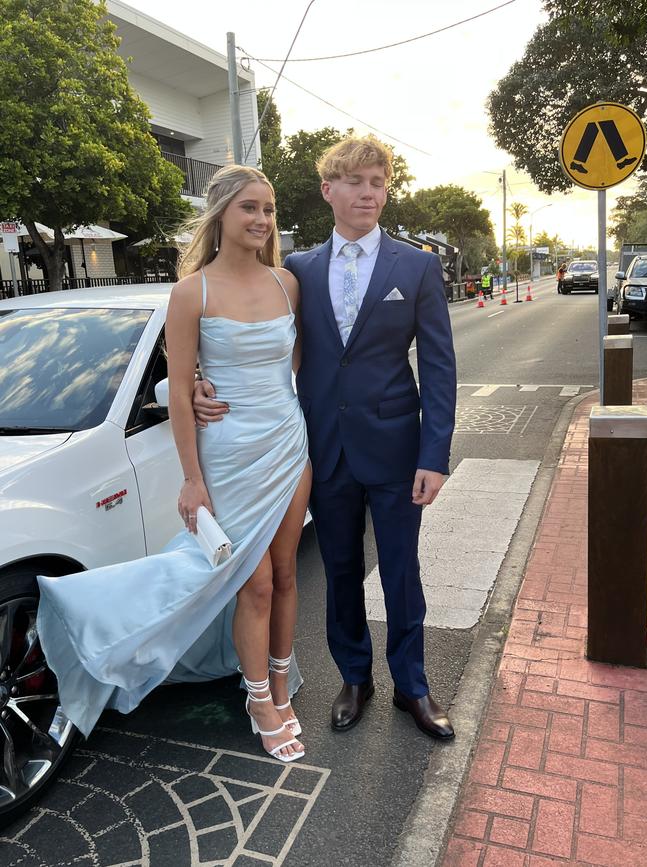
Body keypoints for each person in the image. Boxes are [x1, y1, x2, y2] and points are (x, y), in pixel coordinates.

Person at [37, 165, 311, 762]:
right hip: (228, 455)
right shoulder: (192, 292)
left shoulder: (288, 284)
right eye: (249, 208)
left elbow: (294, 366)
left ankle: (285, 680)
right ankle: (258, 695)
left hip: (289, 444)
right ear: (221, 215)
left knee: (287, 573)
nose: (262, 220)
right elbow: (179, 386)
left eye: (268, 209)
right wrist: (192, 478)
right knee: (253, 582)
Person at [194, 136, 456, 741]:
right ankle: (354, 679)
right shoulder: (297, 273)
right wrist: (199, 387)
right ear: (328, 190)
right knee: (339, 569)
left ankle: (411, 687)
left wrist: (434, 456)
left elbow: (440, 367)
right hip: (321, 448)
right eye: (357, 182)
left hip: (395, 449)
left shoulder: (415, 265)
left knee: (400, 571)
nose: (369, 193)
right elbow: (252, 343)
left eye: (379, 183)